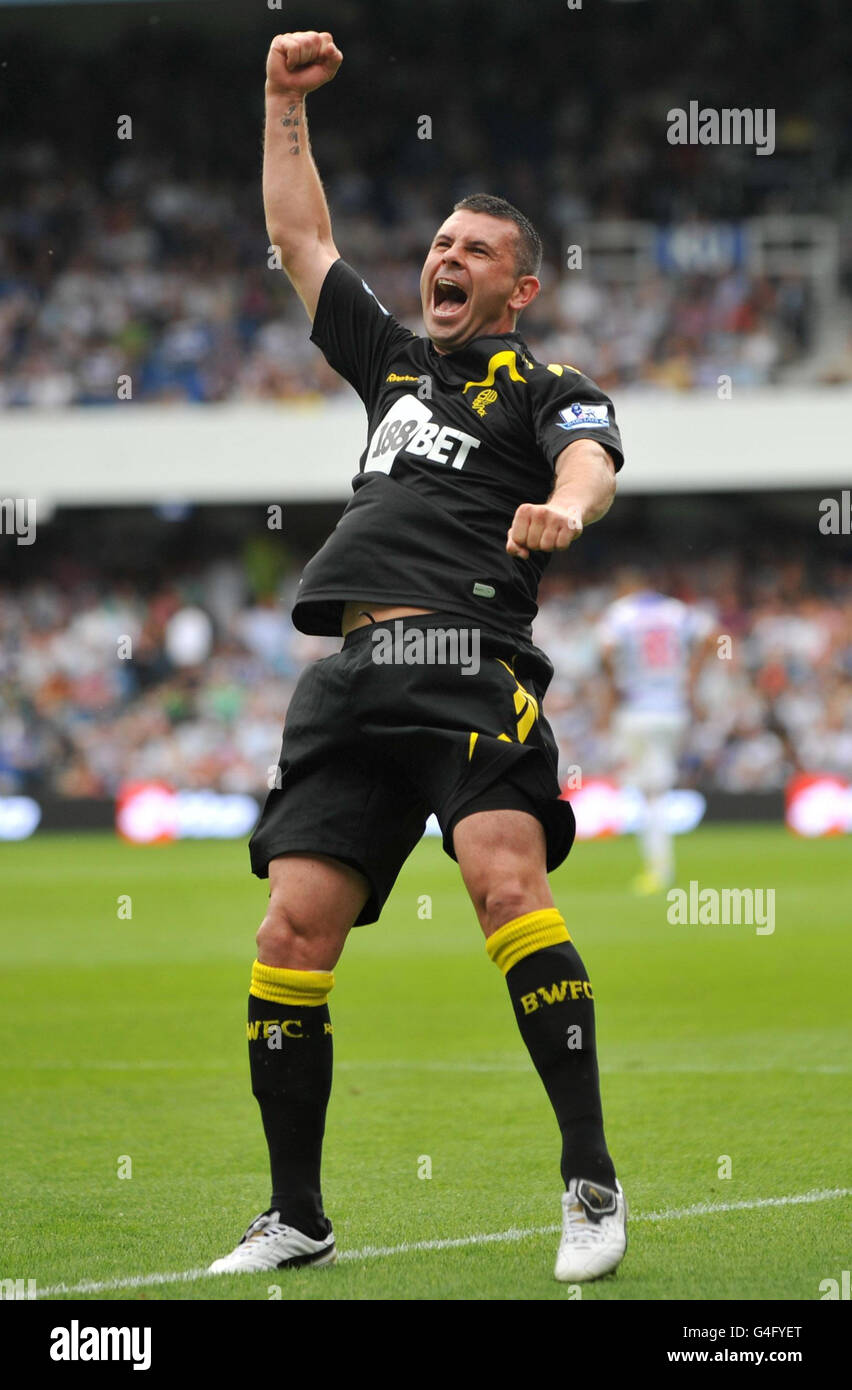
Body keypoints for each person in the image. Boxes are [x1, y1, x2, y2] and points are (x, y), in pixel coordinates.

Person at [209, 29, 627, 1284]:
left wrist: (568, 509)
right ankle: (298, 1215)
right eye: (442, 244)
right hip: (345, 677)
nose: (447, 260)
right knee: (292, 933)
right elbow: (301, 240)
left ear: (520, 288)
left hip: (464, 658)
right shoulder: (391, 362)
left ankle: (590, 1184)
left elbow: (592, 458)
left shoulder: (544, 383)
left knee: (506, 884)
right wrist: (283, 103)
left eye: (476, 251)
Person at [598, 568, 716, 892]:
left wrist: (614, 684)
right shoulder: (675, 611)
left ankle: (659, 868)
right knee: (656, 787)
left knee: (650, 792)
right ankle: (660, 863)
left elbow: (606, 651)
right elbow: (712, 635)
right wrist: (691, 677)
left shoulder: (620, 613)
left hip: (638, 709)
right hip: (674, 708)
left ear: (627, 585)